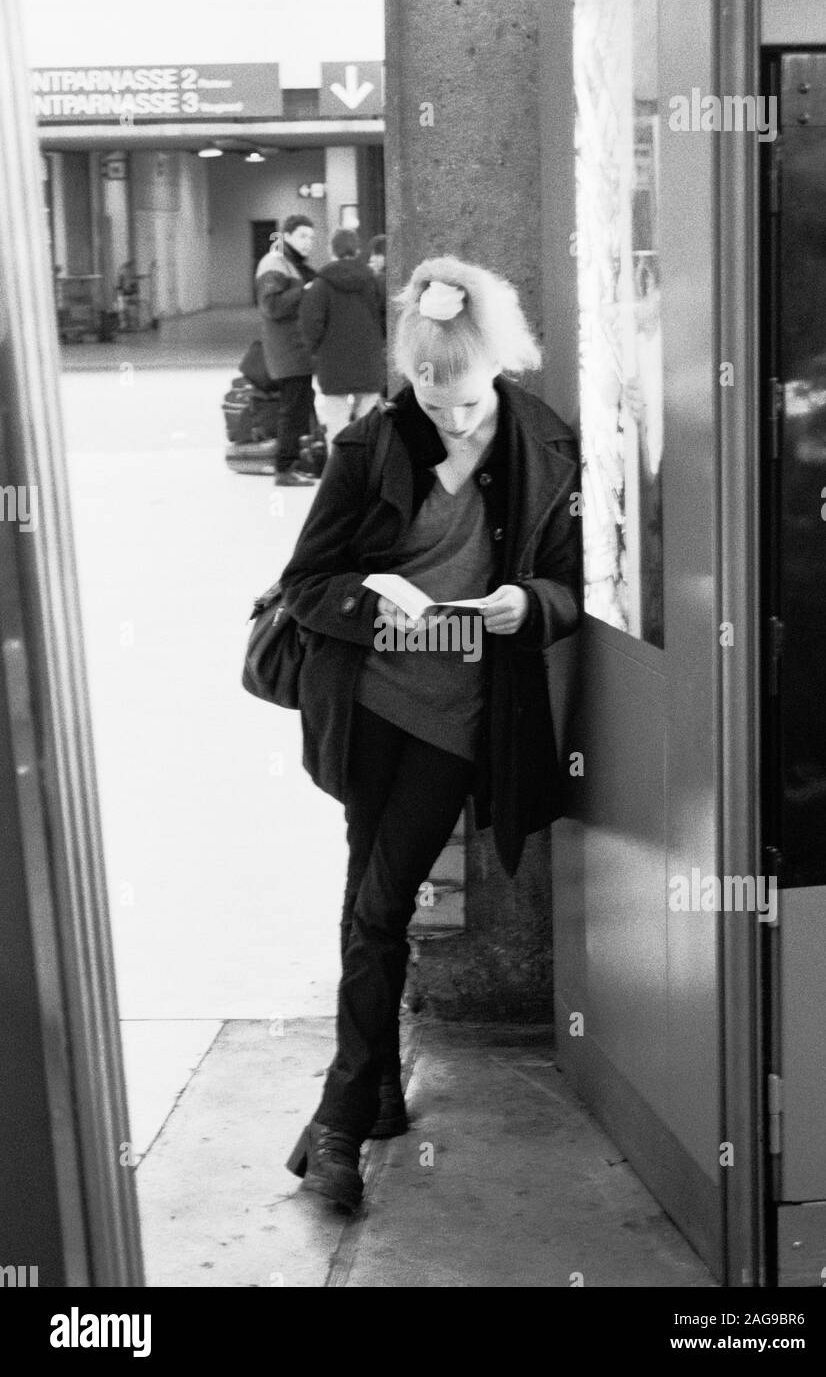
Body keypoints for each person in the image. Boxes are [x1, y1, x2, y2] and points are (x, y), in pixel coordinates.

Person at [278, 255, 582, 1211]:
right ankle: (360, 1103)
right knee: (373, 897)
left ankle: (347, 1111)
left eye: (466, 399)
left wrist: (524, 606)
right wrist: (376, 609)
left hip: (466, 718)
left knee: (380, 897)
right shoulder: (368, 447)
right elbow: (304, 585)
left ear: (501, 365)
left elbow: (574, 588)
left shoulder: (543, 443)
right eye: (428, 396)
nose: (450, 419)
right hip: (371, 701)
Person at [299, 227, 385, 446]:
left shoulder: (320, 285)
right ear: (357, 250)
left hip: (333, 364)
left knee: (337, 428)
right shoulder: (374, 281)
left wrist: (316, 350)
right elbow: (386, 317)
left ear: (332, 250)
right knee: (369, 427)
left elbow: (311, 324)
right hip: (369, 362)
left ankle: (340, 476)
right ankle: (367, 476)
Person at [254, 214, 318, 486]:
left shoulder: (293, 264)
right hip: (288, 351)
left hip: (298, 351)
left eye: (312, 238)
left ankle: (298, 462)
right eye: (303, 236)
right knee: (292, 410)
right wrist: (306, 290)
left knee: (301, 406)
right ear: (287, 236)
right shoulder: (275, 263)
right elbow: (271, 306)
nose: (308, 242)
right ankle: (284, 468)